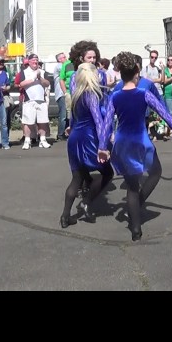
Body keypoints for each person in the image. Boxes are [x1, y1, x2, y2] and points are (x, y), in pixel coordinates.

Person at [98, 52, 172, 242]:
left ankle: (135, 230)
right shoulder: (144, 93)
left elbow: (106, 124)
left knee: (131, 186)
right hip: (141, 140)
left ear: (120, 73)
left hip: (122, 142)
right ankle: (138, 204)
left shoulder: (115, 96)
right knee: (156, 171)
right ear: (137, 71)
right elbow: (164, 113)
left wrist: (103, 147)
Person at [60, 63, 115, 228]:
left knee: (77, 178)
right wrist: (103, 146)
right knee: (107, 173)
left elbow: (73, 118)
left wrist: (70, 126)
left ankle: (65, 216)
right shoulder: (91, 94)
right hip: (89, 137)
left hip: (75, 137)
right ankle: (87, 201)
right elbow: (99, 121)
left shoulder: (75, 94)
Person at [19, 54, 51, 150]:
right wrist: (33, 79)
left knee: (43, 121)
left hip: (41, 100)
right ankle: (27, 140)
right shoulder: (24, 72)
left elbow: (47, 83)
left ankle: (43, 139)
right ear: (29, 62)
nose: (35, 62)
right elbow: (21, 84)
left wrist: (40, 78)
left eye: (36, 60)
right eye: (33, 60)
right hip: (29, 100)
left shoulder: (42, 72)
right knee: (28, 122)